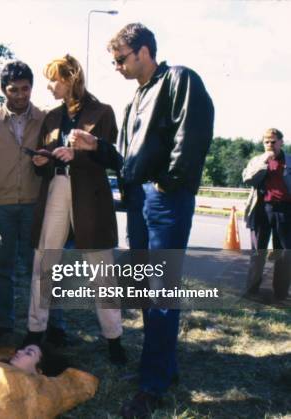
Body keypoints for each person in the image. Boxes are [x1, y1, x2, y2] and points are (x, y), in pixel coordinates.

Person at [106, 23, 214, 418]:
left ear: (144, 51)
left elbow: (194, 133)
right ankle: (163, 369)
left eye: (121, 59)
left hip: (164, 200)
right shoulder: (135, 99)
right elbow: (128, 161)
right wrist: (99, 148)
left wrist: (168, 184)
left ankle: (151, 387)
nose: (116, 66)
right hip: (139, 201)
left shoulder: (179, 79)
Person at [24, 54, 126, 364]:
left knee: (101, 268)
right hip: (56, 187)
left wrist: (80, 153)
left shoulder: (103, 112)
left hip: (90, 194)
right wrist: (41, 161)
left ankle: (114, 340)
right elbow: (46, 156)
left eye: (54, 79)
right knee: (44, 260)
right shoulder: (51, 117)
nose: (49, 85)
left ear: (71, 79)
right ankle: (34, 331)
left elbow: (113, 158)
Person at [0, 61, 67, 346]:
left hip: (35, 206)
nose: (19, 95)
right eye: (13, 89)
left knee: (41, 268)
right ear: (3, 89)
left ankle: (53, 326)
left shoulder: (47, 118)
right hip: (0, 208)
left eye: (25, 88)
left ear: (32, 88)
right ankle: (4, 325)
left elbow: (59, 158)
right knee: (1, 269)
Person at [243, 128, 291, 301]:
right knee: (258, 252)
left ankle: (281, 293)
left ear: (281, 142)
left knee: (285, 253)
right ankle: (251, 290)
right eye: (266, 142)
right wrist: (264, 161)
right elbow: (248, 179)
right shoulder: (257, 160)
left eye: (273, 141)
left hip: (285, 211)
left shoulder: (289, 161)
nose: (269, 145)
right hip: (261, 209)